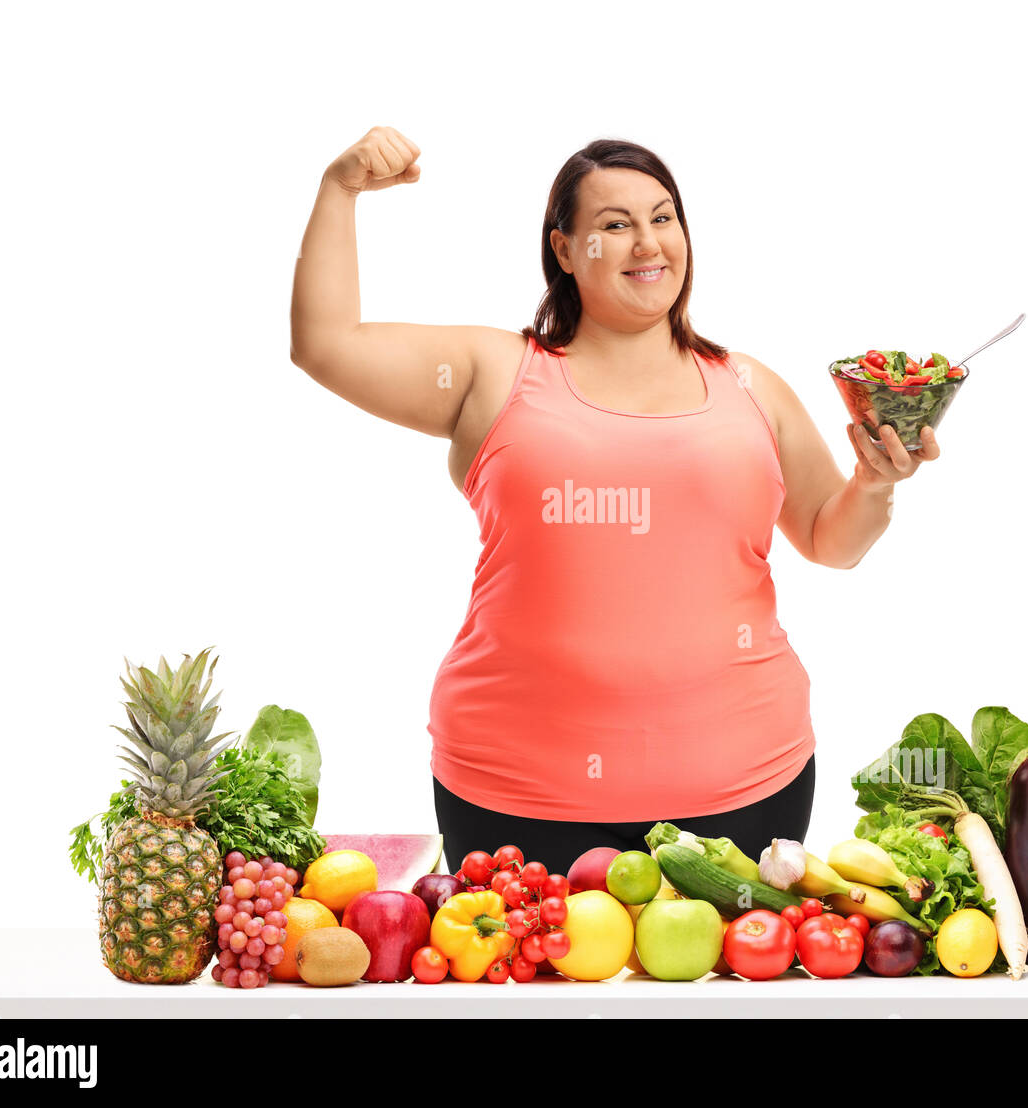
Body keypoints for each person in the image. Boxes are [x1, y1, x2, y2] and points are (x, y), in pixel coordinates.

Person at [290, 126, 941, 875]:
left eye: (663, 217)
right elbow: (325, 343)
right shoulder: (494, 371)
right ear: (564, 250)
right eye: (614, 225)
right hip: (513, 797)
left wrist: (875, 484)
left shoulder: (752, 389)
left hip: (745, 790)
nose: (647, 243)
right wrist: (339, 190)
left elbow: (833, 539)